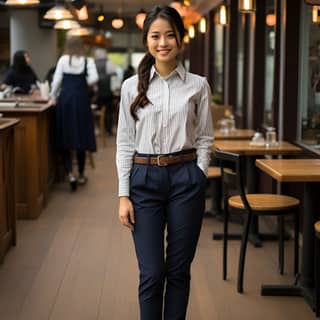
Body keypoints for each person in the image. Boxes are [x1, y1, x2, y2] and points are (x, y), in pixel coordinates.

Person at [116, 5, 213, 320]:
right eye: (155, 36)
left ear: (181, 40)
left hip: (186, 179)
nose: (163, 42)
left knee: (179, 271)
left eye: (170, 35)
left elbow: (204, 137)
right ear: (147, 41)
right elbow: (125, 142)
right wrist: (122, 195)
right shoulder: (132, 86)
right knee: (153, 273)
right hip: (144, 180)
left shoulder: (198, 85)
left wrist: (199, 172)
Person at [49, 36, 98, 191]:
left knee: (65, 136)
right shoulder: (87, 61)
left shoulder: (64, 60)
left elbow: (56, 80)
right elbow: (94, 78)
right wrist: (83, 83)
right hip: (82, 101)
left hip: (66, 101)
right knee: (81, 137)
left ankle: (70, 173)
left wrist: (52, 97)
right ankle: (82, 175)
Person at [94, 48, 117, 136]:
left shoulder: (93, 63)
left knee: (96, 111)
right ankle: (108, 130)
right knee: (108, 111)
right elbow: (114, 74)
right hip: (107, 91)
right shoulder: (108, 62)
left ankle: (98, 129)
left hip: (97, 93)